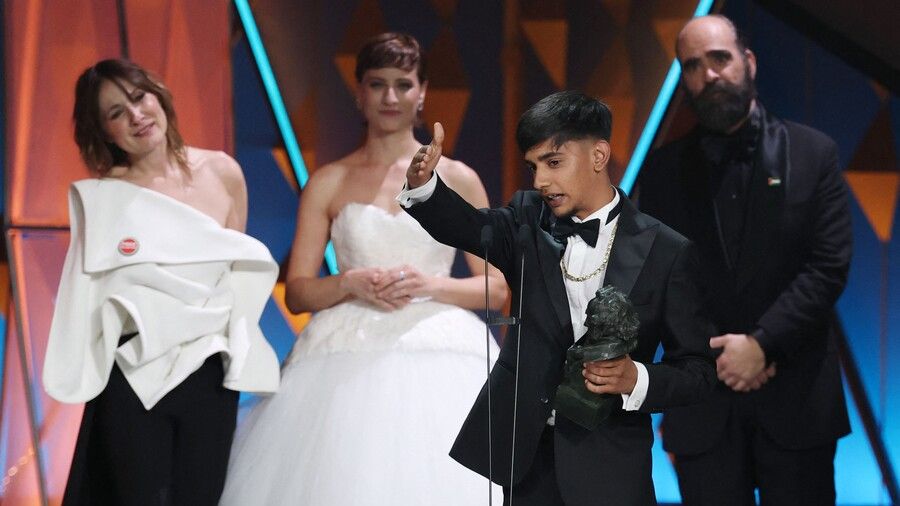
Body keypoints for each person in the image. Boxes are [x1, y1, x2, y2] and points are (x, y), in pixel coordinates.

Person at [220, 32, 507, 505]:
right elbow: (299, 292)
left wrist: (429, 285)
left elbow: (497, 287)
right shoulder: (329, 181)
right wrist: (349, 282)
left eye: (403, 84)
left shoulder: (457, 178)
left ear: (422, 93)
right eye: (377, 84)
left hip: (442, 344)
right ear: (359, 93)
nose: (390, 97)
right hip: (342, 348)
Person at [399, 90, 717, 506]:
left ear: (598, 156)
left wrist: (636, 378)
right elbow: (468, 226)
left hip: (612, 467)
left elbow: (698, 371)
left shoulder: (667, 251)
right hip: (529, 463)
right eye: (533, 167)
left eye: (553, 163)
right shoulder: (526, 221)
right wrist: (424, 186)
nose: (540, 182)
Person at [43, 59, 280, 505]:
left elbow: (234, 271)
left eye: (139, 97)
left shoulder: (223, 171)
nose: (136, 115)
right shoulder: (104, 200)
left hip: (210, 372)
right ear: (104, 132)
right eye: (116, 113)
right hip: (133, 374)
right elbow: (89, 302)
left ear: (158, 95)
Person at [637, 14, 852, 505]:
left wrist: (763, 344)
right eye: (693, 66)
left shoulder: (814, 153)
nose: (709, 74)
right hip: (704, 407)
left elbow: (828, 266)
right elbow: (661, 281)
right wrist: (720, 355)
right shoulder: (662, 171)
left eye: (720, 58)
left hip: (796, 397)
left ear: (748, 62)